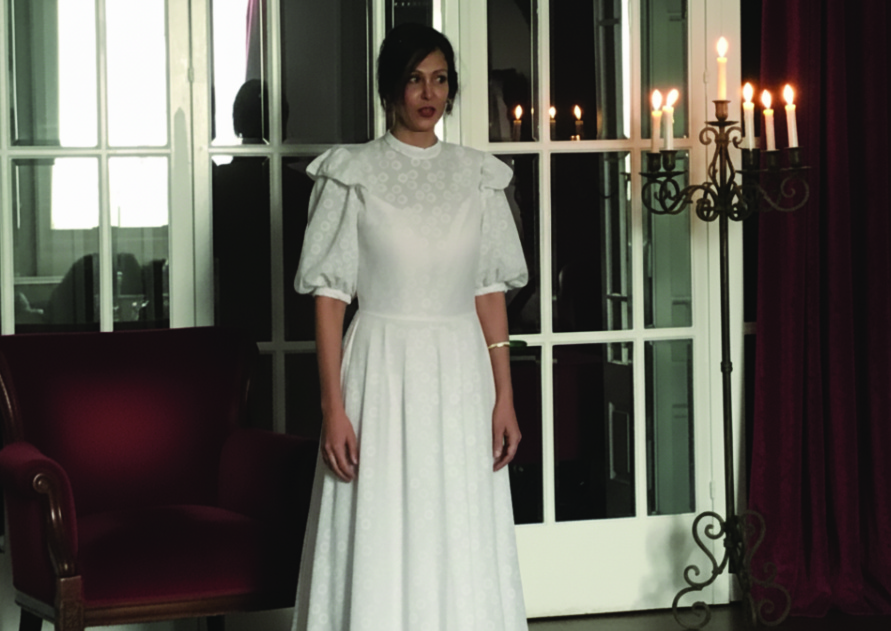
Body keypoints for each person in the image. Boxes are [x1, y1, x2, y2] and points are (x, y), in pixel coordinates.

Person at [292, 23, 529, 631]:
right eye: (415, 80)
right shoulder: (351, 172)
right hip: (380, 370)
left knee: (457, 523)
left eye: (440, 79)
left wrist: (504, 395)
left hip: (460, 374)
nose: (429, 94)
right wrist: (333, 407)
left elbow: (488, 291)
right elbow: (330, 298)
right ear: (390, 89)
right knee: (382, 520)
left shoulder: (479, 176)